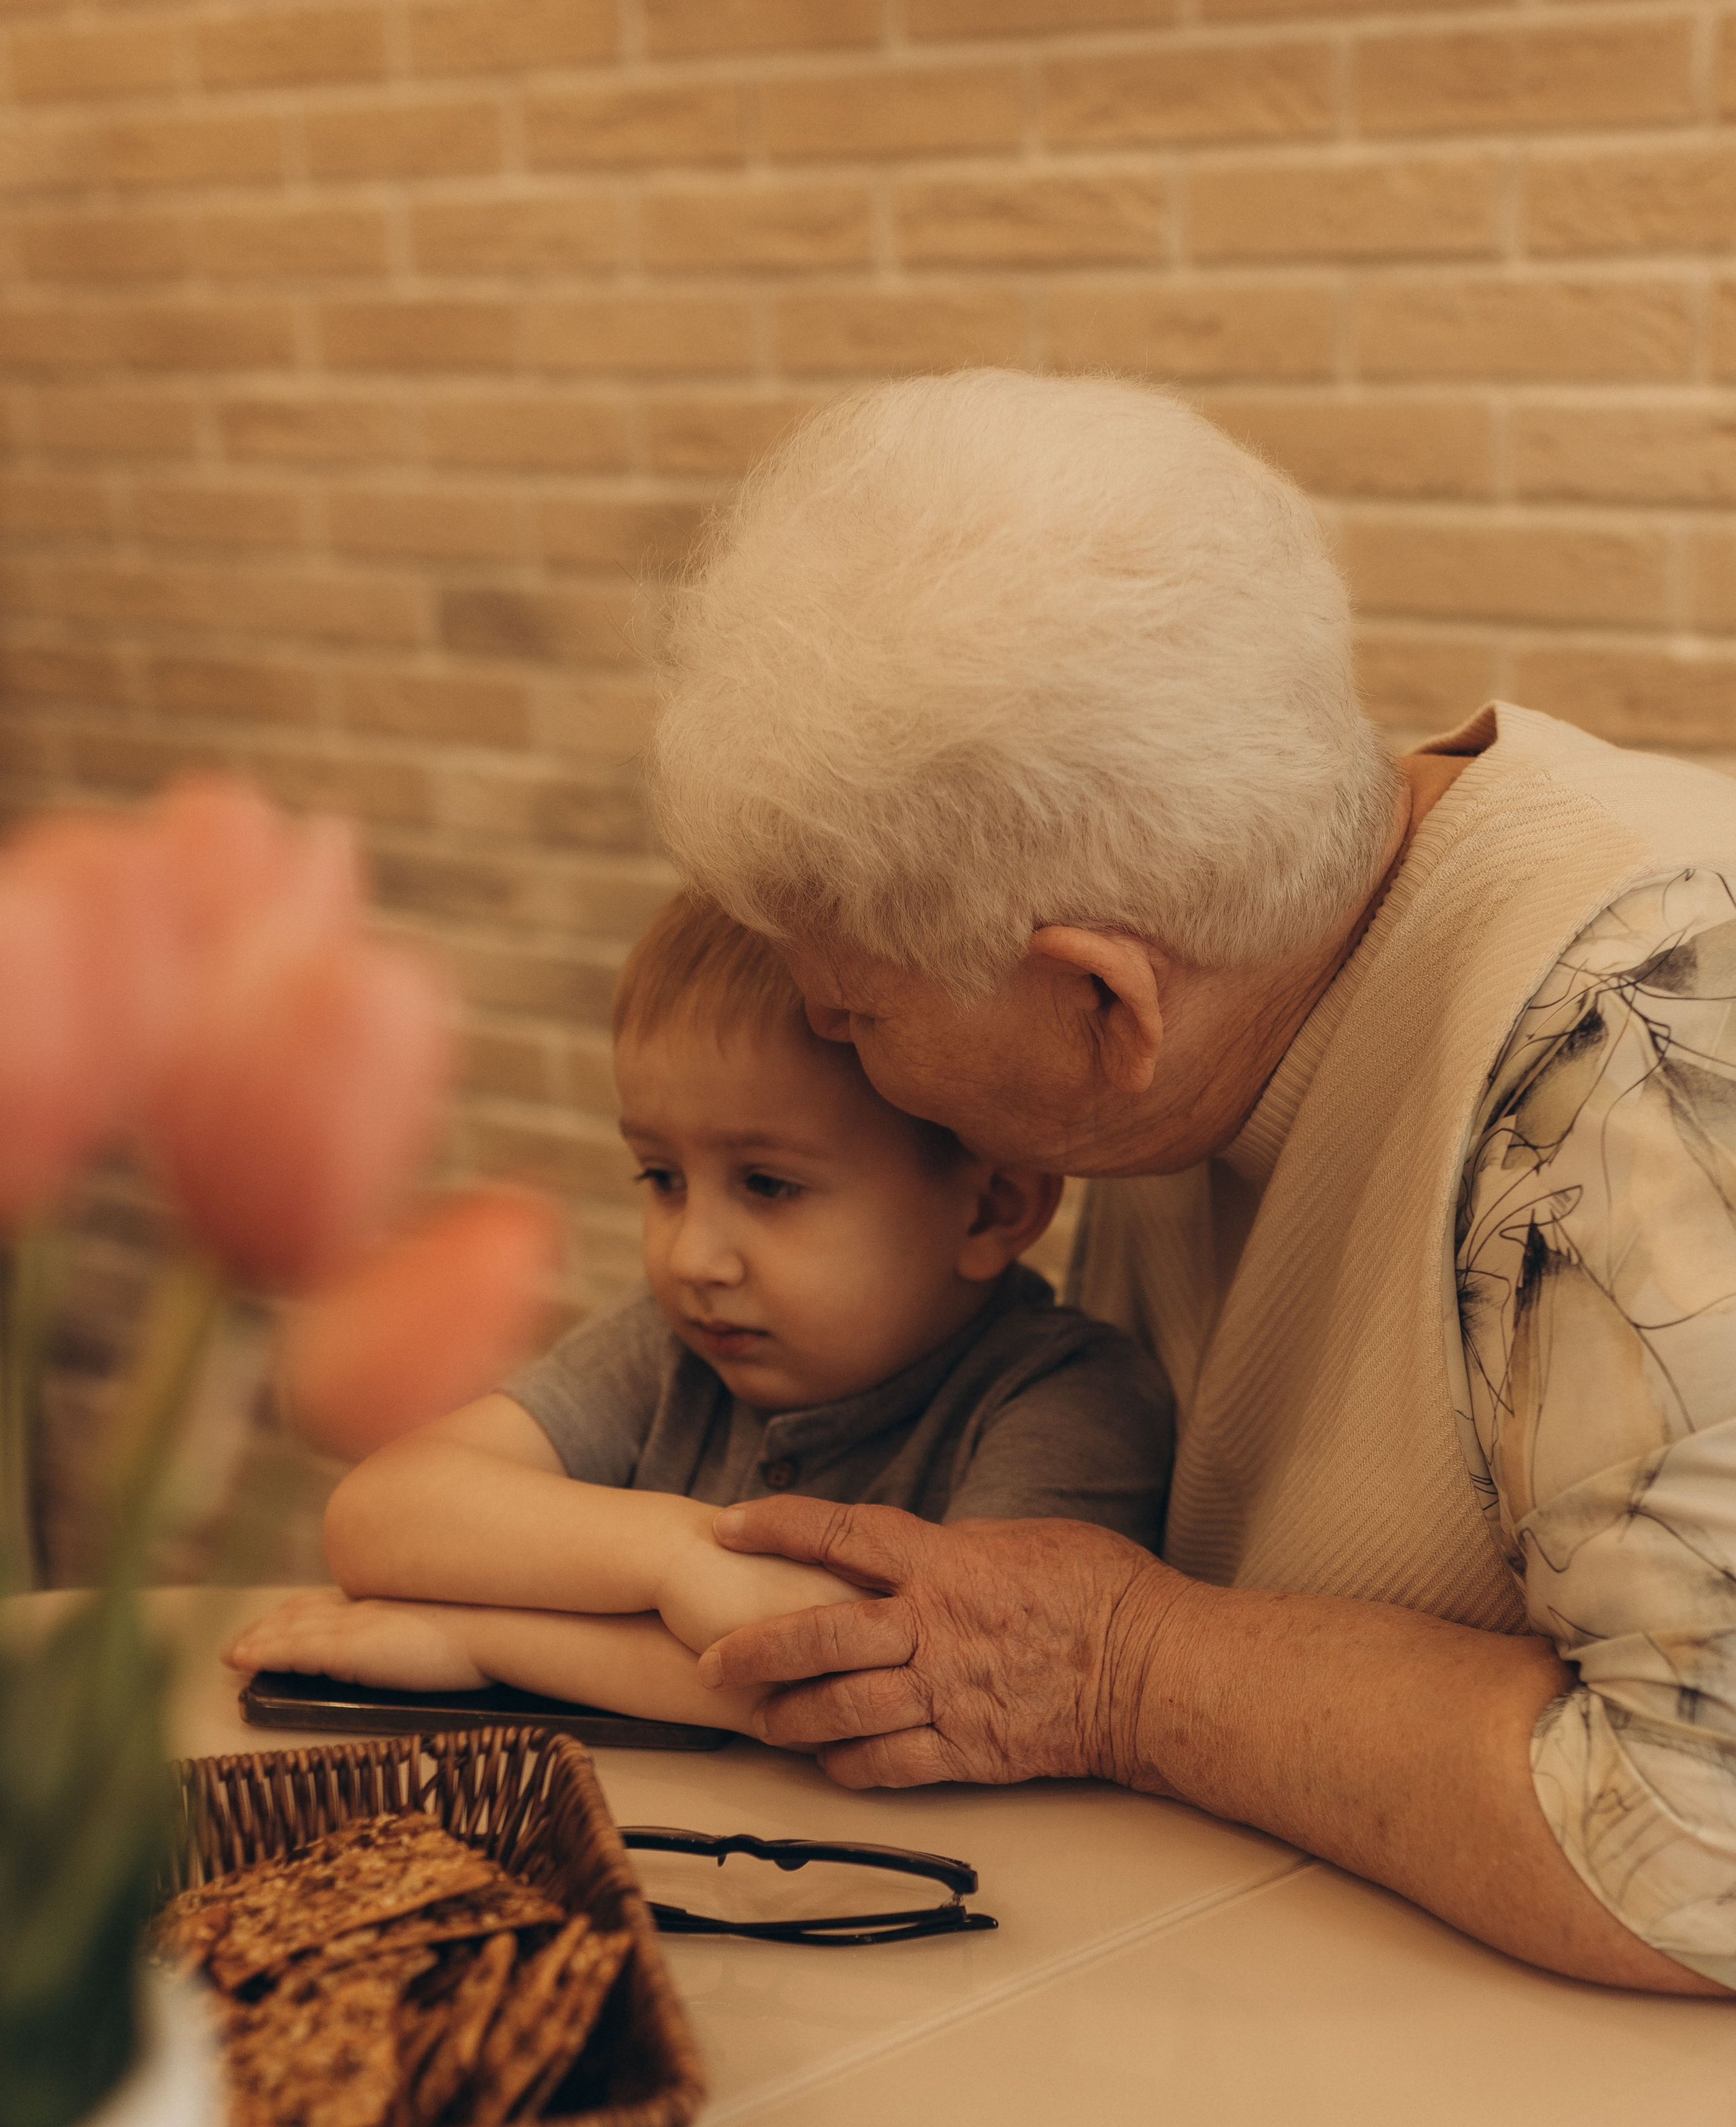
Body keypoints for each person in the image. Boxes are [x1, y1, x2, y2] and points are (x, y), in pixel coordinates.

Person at [643, 367, 1736, 1998]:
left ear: (1102, 1002)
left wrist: (1126, 1670)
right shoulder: (1231, 965)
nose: (835, 1052)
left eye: (852, 1018)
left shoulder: (1631, 1059)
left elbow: (1695, 1838)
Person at [224, 895, 1171, 1732]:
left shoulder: (1067, 1403)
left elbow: (900, 1693)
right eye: (662, 1179)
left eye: (767, 1184)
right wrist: (678, 1562)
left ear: (991, 1208)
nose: (690, 1256)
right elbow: (380, 1512)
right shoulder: (674, 1347)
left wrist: (475, 1637)